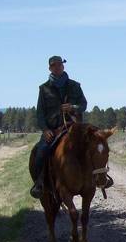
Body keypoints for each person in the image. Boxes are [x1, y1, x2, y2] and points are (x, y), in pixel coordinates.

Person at [30, 55, 88, 198]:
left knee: (94, 146)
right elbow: (40, 113)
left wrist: (73, 107)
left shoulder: (75, 85)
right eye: (54, 65)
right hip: (53, 130)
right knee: (40, 152)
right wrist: (45, 130)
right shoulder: (44, 89)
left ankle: (98, 179)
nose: (57, 67)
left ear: (63, 66)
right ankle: (39, 183)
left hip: (73, 127)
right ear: (50, 68)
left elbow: (84, 105)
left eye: (59, 65)